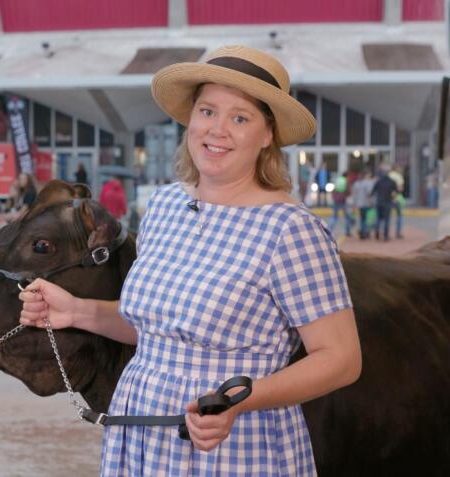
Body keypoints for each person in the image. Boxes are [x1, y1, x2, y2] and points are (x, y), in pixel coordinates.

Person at [19, 46, 361, 476]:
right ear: (190, 119)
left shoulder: (289, 229)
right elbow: (160, 328)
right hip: (143, 433)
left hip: (235, 445)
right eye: (207, 111)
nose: (218, 130)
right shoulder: (165, 206)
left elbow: (342, 359)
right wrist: (75, 310)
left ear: (267, 134)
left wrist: (241, 400)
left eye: (240, 118)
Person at [371, 168, 398, 241]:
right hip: (387, 203)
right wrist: (393, 198)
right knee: (387, 220)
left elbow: (373, 192)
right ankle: (386, 236)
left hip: (379, 203)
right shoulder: (392, 182)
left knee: (378, 219)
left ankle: (377, 233)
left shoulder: (379, 182)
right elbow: (396, 192)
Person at [351, 170, 376, 239]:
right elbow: (370, 194)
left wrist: (354, 204)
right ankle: (365, 232)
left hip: (360, 204)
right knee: (367, 219)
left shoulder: (356, 184)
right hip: (367, 204)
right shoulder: (368, 183)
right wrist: (372, 203)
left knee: (362, 218)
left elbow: (354, 195)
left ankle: (362, 231)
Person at [388, 165, 405, 239]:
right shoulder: (399, 176)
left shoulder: (388, 175)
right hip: (397, 198)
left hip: (388, 199)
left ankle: (387, 233)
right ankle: (398, 233)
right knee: (399, 216)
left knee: (387, 217)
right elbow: (400, 188)